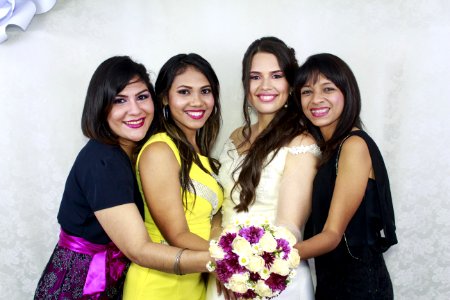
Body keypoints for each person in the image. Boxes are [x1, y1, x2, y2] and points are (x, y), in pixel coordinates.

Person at [34, 56, 213, 300]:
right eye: (120, 100)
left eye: (141, 97)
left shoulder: (135, 150)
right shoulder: (102, 160)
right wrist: (220, 262)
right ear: (100, 107)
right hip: (81, 283)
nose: (135, 110)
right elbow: (138, 249)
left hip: (114, 275)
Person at [206, 37, 319, 300]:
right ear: (246, 85)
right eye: (255, 77)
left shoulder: (301, 143)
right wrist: (221, 260)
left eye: (276, 76)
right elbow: (221, 209)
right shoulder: (236, 136)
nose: (265, 86)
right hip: (224, 274)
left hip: (274, 277)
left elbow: (290, 226)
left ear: (290, 84)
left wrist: (249, 274)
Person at [295, 53, 398, 299]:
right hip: (332, 281)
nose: (316, 99)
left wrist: (268, 257)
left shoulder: (353, 145)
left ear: (347, 93)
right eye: (306, 92)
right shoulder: (329, 149)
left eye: (327, 89)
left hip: (359, 286)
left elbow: (331, 236)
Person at [123, 53, 224, 300]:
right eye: (184, 92)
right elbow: (176, 234)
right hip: (159, 284)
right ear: (165, 98)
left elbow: (212, 218)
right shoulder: (160, 150)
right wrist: (231, 260)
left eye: (205, 91)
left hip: (195, 280)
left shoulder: (200, 154)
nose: (197, 101)